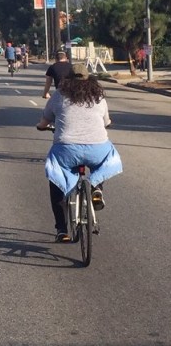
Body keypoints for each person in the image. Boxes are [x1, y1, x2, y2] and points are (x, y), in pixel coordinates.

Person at [36, 63, 123, 242]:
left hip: (66, 150)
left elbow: (44, 122)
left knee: (56, 181)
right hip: (97, 149)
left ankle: (62, 230)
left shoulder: (59, 95)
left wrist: (41, 126)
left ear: (68, 78)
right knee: (105, 159)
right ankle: (96, 188)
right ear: (88, 78)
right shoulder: (98, 96)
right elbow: (106, 122)